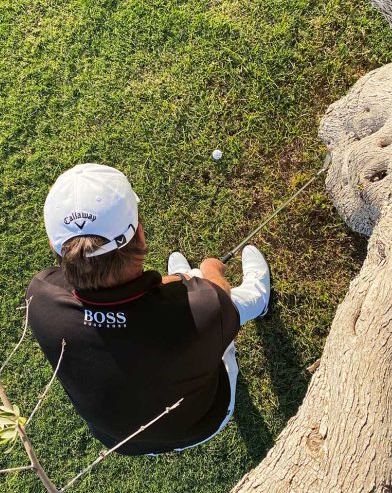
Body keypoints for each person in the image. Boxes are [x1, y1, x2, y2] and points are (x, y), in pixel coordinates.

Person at [26, 163, 270, 455]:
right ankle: (260, 297)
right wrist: (208, 270)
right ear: (139, 234)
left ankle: (190, 280)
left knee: (204, 303)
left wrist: (182, 282)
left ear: (57, 250)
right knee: (229, 314)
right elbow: (219, 294)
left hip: (124, 444)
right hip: (206, 421)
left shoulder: (39, 297)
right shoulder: (204, 309)